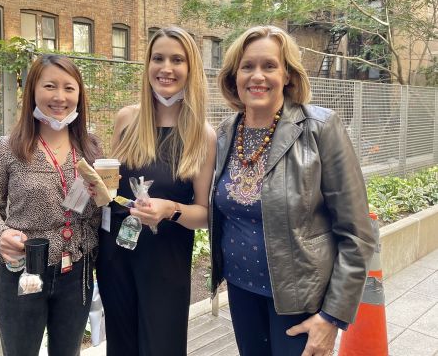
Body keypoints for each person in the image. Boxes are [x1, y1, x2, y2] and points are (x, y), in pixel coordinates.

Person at [210, 25, 376, 356]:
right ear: (234, 76)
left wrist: (331, 317)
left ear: (287, 74)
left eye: (269, 66)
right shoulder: (226, 132)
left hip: (302, 302)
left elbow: (358, 234)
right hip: (242, 293)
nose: (257, 76)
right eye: (247, 67)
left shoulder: (320, 128)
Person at [96, 26, 216, 356]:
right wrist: (96, 189)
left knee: (161, 346)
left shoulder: (202, 135)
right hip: (116, 254)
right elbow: (112, 192)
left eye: (177, 60)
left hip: (166, 259)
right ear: (147, 65)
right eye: (158, 58)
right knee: (120, 346)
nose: (166, 68)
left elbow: (205, 214)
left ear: (191, 69)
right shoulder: (126, 119)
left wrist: (171, 209)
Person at [0, 54, 102, 356]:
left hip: (76, 273)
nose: (60, 97)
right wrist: (1, 235)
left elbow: (97, 212)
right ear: (33, 90)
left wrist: (107, 197)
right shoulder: (8, 148)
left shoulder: (91, 148)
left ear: (79, 95)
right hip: (23, 270)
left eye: (69, 88)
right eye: (50, 86)